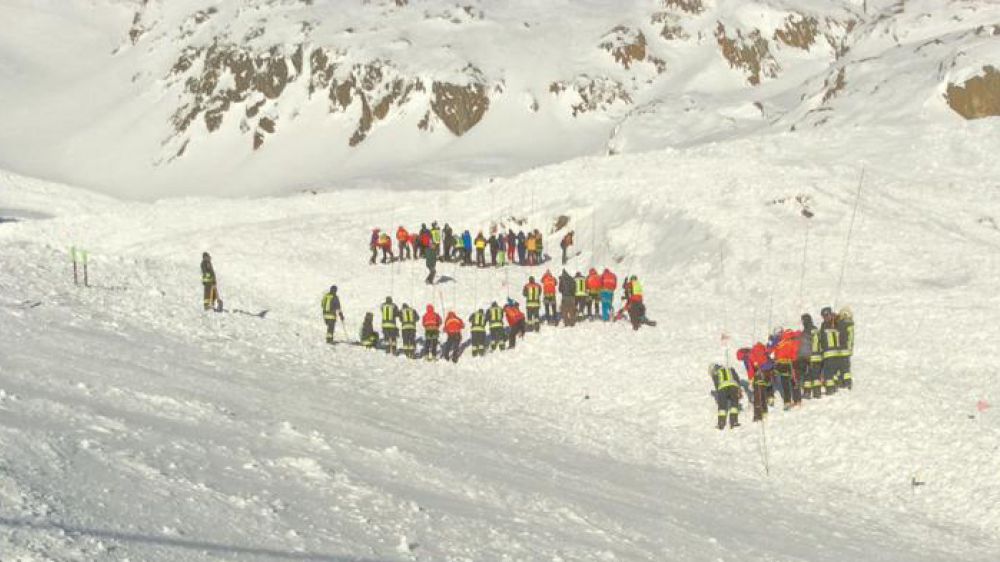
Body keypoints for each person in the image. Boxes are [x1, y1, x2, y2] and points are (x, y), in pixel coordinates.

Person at [819, 306, 850, 394]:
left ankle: (834, 387)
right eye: (824, 316)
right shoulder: (824, 325)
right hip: (831, 352)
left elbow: (843, 334)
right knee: (832, 371)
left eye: (827, 315)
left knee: (832, 371)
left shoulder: (837, 322)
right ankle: (835, 385)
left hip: (837, 351)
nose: (825, 318)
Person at [771, 327, 802, 409]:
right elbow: (794, 350)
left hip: (782, 364)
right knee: (794, 381)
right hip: (791, 363)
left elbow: (774, 353)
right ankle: (797, 400)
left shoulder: (780, 342)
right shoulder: (791, 339)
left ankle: (787, 401)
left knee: (785, 384)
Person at [709, 363, 742, 430]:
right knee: (734, 405)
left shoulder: (715, 373)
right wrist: (738, 388)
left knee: (722, 406)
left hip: (722, 388)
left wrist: (720, 395)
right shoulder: (730, 369)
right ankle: (734, 421)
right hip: (734, 386)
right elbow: (737, 378)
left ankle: (721, 423)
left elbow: (716, 384)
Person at [798, 313, 822, 399]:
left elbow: (804, 346)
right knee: (816, 375)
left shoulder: (806, 331)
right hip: (818, 356)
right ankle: (817, 392)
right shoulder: (816, 329)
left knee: (807, 375)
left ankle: (807, 392)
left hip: (809, 356)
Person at [838, 307, 855, 390]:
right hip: (846, 349)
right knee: (846, 367)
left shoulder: (839, 323)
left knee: (840, 366)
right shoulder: (850, 325)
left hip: (838, 350)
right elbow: (851, 338)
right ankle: (847, 382)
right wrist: (850, 349)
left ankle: (841, 382)